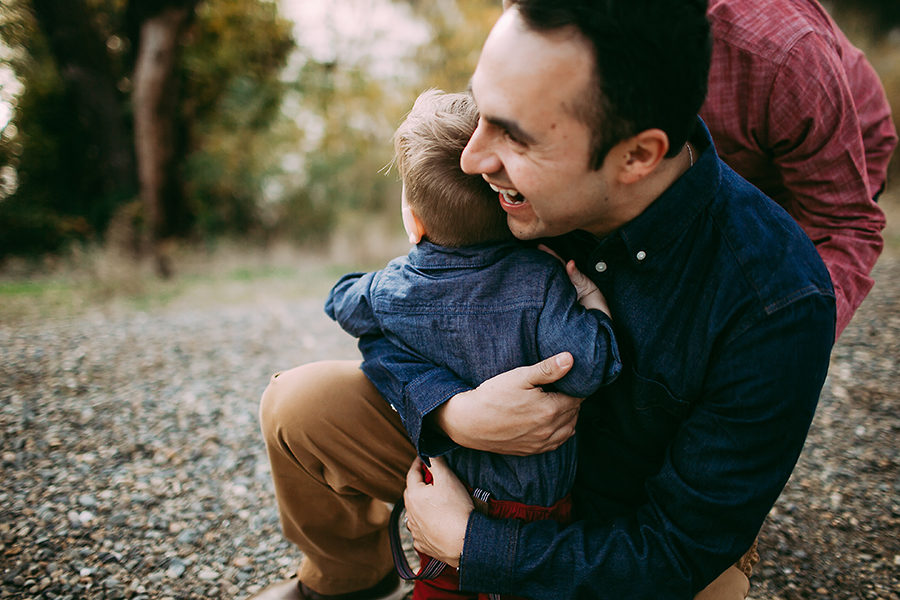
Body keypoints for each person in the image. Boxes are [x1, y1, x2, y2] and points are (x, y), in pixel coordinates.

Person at [250, 1, 837, 599]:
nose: (473, 160)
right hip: (483, 465)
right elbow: (397, 323)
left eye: (513, 138)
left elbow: (674, 549)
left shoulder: (777, 302)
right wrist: (451, 412)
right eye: (483, 113)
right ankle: (347, 580)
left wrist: (469, 544)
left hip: (621, 528)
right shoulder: (508, 187)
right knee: (302, 405)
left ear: (636, 156)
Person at [324, 88, 621, 600]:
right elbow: (591, 366)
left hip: (446, 493)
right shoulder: (544, 280)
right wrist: (593, 305)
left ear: (415, 220)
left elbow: (342, 303)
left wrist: (395, 271)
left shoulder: (395, 287)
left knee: (441, 586)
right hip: (537, 505)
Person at [700, 0, 898, 339]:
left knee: (778, 291)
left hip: (834, 144)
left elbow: (840, 224)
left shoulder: (784, 52)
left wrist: (793, 348)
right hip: (732, 151)